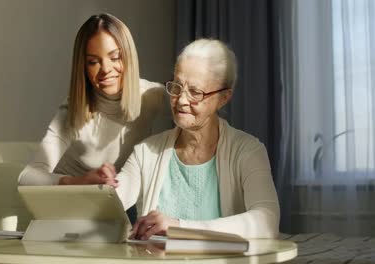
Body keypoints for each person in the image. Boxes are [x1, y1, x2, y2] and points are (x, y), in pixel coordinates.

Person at [98, 39, 280, 239]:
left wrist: (179, 226)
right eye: (176, 87)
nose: (181, 100)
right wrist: (99, 187)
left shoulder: (248, 151)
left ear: (224, 97)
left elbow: (267, 222)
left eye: (195, 92)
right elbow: (104, 209)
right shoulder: (146, 151)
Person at [18, 13, 171, 222]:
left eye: (115, 57)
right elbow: (27, 178)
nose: (106, 69)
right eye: (93, 62)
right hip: (68, 207)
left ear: (128, 56)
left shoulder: (150, 96)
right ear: (83, 67)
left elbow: (191, 105)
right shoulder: (73, 111)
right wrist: (80, 182)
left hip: (115, 202)